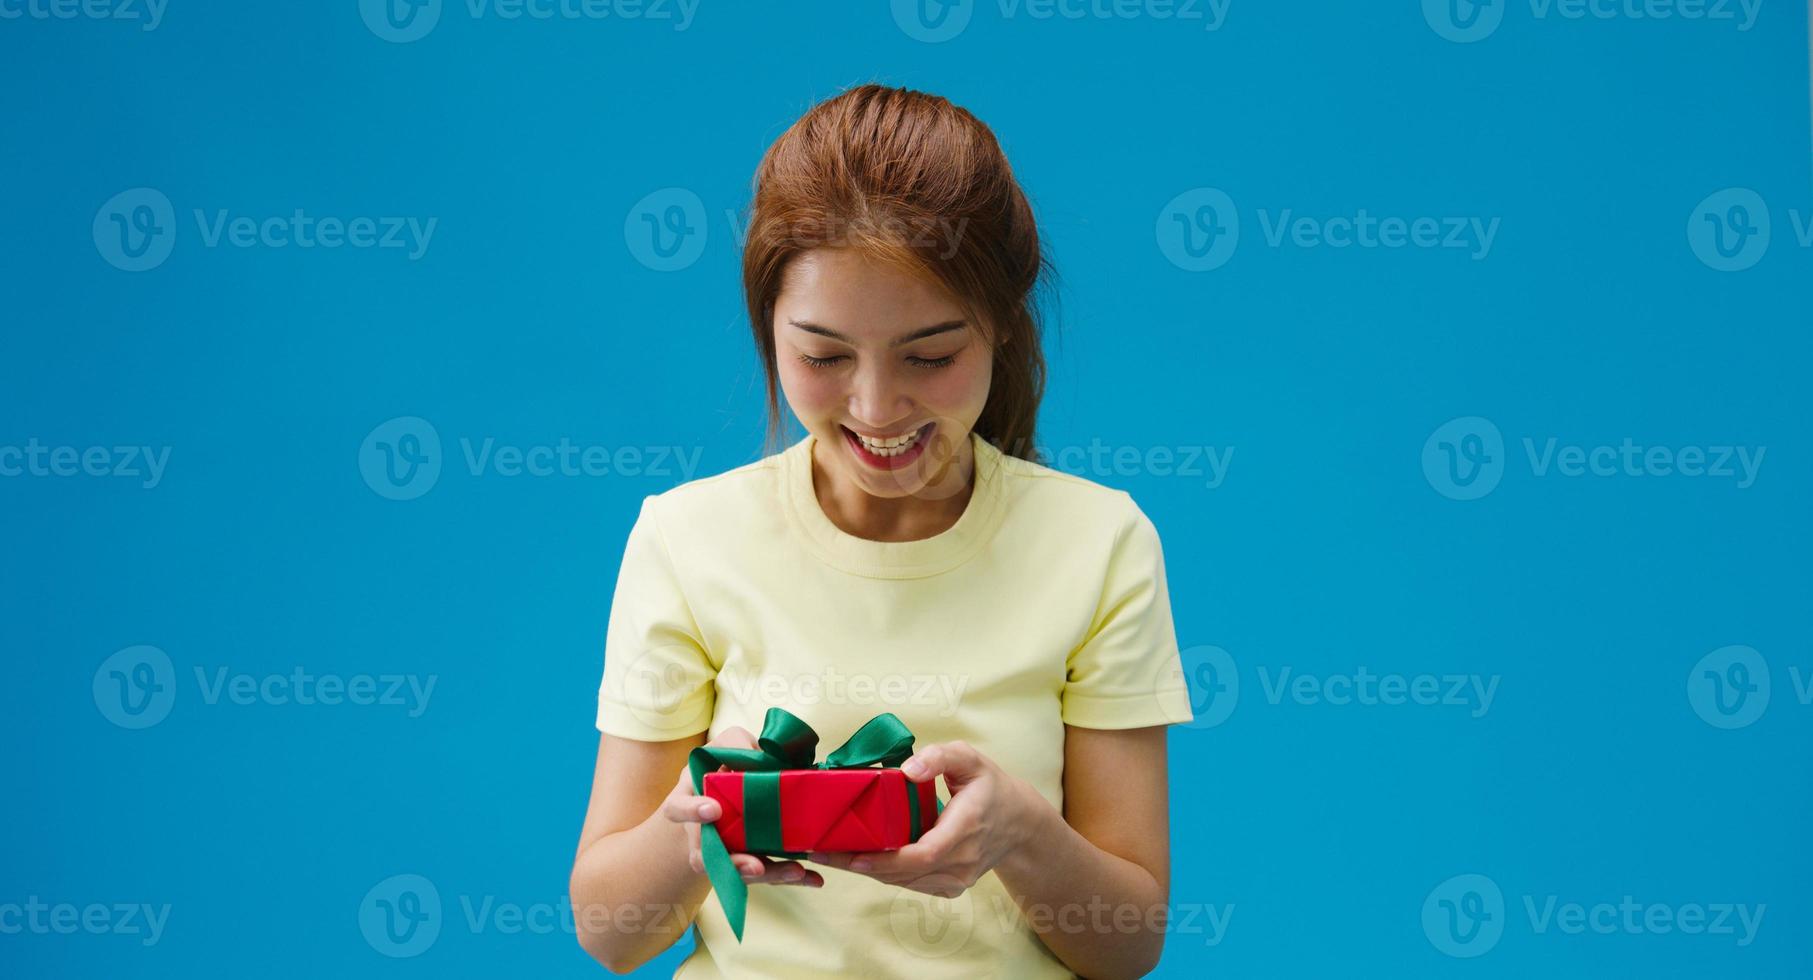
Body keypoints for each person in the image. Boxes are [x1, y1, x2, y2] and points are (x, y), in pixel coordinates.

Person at [570, 82, 1194, 979]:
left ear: (1001, 332)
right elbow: (608, 931)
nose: (874, 406)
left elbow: (1127, 944)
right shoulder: (685, 537)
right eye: (822, 356)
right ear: (769, 332)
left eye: (930, 356)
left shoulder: (1098, 544)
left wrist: (1019, 832)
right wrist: (693, 824)